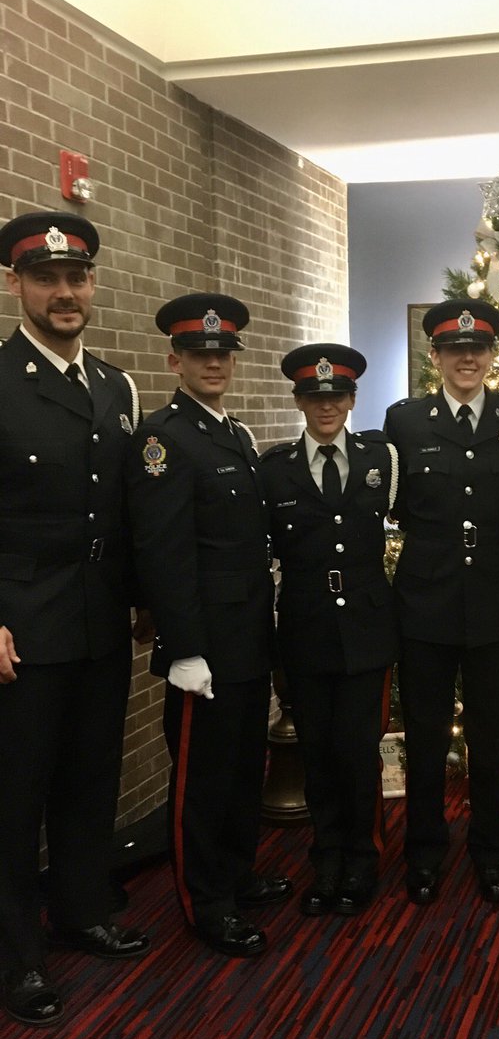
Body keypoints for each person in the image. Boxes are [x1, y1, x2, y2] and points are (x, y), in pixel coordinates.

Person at [0, 210, 151, 1028]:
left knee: (90, 778)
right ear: (17, 284)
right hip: (21, 624)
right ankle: (19, 957)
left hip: (99, 619)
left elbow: (126, 508)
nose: (65, 292)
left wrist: (139, 597)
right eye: (46, 278)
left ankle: (82, 911)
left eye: (77, 278)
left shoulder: (115, 387)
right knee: (17, 795)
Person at [127, 293, 289, 958]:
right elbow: (163, 555)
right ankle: (206, 902)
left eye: (223, 353)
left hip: (249, 638)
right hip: (207, 651)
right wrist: (185, 649)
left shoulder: (232, 433)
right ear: (176, 359)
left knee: (244, 767)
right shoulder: (164, 439)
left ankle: (237, 871)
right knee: (203, 781)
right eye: (200, 353)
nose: (214, 363)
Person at [385, 299, 499, 906]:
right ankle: (423, 850)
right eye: (454, 349)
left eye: (477, 348)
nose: (466, 357)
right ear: (436, 357)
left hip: (497, 604)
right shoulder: (405, 421)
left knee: (494, 735)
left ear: (493, 353)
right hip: (425, 602)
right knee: (423, 734)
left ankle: (491, 849)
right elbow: (396, 506)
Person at [260, 344, 399, 916]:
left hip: (366, 629)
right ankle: (327, 861)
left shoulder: (383, 459)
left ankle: (362, 862)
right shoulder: (274, 469)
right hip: (306, 629)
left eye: (337, 395)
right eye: (315, 396)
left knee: (358, 751)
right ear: (298, 400)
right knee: (318, 756)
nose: (327, 405)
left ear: (352, 399)